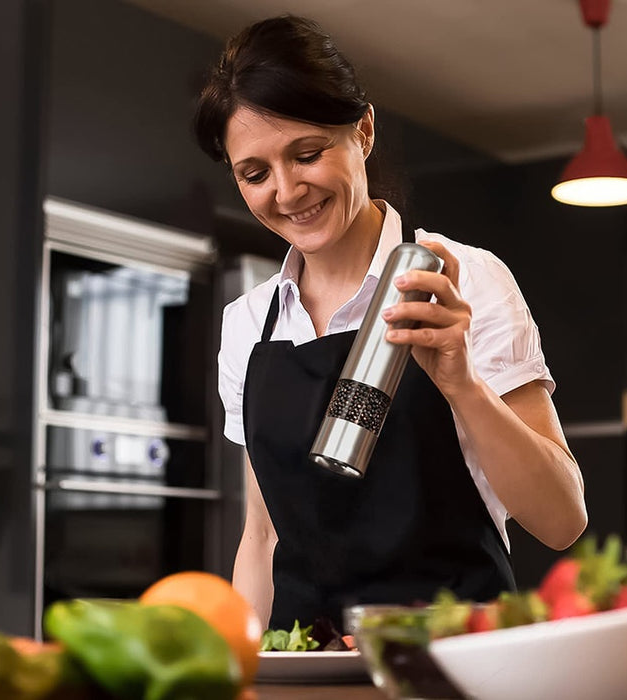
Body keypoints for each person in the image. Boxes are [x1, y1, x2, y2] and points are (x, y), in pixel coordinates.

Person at [194, 14, 587, 632]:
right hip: (310, 670)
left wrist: (462, 385)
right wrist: (242, 675)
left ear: (364, 131)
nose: (288, 191)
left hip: (456, 659)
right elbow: (263, 537)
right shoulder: (248, 323)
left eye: (308, 153)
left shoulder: (467, 280)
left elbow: (563, 520)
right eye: (255, 173)